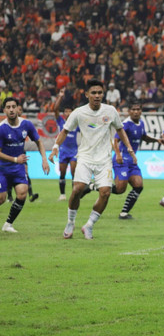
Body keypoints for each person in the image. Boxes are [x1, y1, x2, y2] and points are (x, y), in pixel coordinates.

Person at [49, 79, 137, 239]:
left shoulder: (110, 111)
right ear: (87, 94)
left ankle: (89, 225)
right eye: (94, 93)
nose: (97, 96)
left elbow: (120, 130)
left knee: (105, 193)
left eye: (100, 93)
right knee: (77, 190)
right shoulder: (78, 112)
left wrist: (129, 148)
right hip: (84, 158)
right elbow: (64, 131)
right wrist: (55, 147)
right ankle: (70, 221)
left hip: (104, 161)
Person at [0, 97, 50, 232]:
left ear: (18, 108)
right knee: (1, 198)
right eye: (8, 107)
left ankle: (8, 224)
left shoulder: (26, 125)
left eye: (13, 106)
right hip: (2, 168)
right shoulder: (2, 128)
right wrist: (15, 159)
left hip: (18, 168)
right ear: (4, 110)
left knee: (22, 193)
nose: (11, 109)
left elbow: (39, 142)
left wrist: (44, 159)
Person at [112, 101, 164, 219]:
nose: (136, 112)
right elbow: (115, 140)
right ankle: (93, 187)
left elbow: (144, 137)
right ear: (129, 111)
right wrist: (118, 154)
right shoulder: (125, 124)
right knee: (120, 189)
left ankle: (124, 213)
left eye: (138, 109)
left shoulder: (141, 124)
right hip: (122, 160)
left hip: (132, 161)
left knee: (139, 186)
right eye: (133, 110)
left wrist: (156, 140)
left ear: (141, 111)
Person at [52, 89, 79, 201]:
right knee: (62, 173)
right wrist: (60, 96)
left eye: (70, 111)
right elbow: (55, 109)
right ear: (64, 113)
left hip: (74, 151)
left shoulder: (77, 123)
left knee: (74, 173)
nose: (67, 113)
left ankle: (74, 195)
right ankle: (62, 194)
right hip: (63, 151)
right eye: (66, 111)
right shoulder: (61, 122)